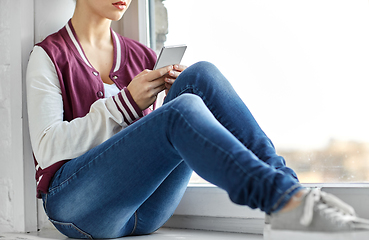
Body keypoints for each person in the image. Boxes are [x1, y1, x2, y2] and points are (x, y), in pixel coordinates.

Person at [26, 0, 369, 238]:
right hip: (78, 209)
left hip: (145, 209)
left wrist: (153, 102)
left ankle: (292, 193)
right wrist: (126, 103)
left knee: (199, 76)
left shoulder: (141, 56)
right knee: (182, 111)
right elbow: (47, 148)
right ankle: (284, 203)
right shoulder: (49, 56)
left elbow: (138, 150)